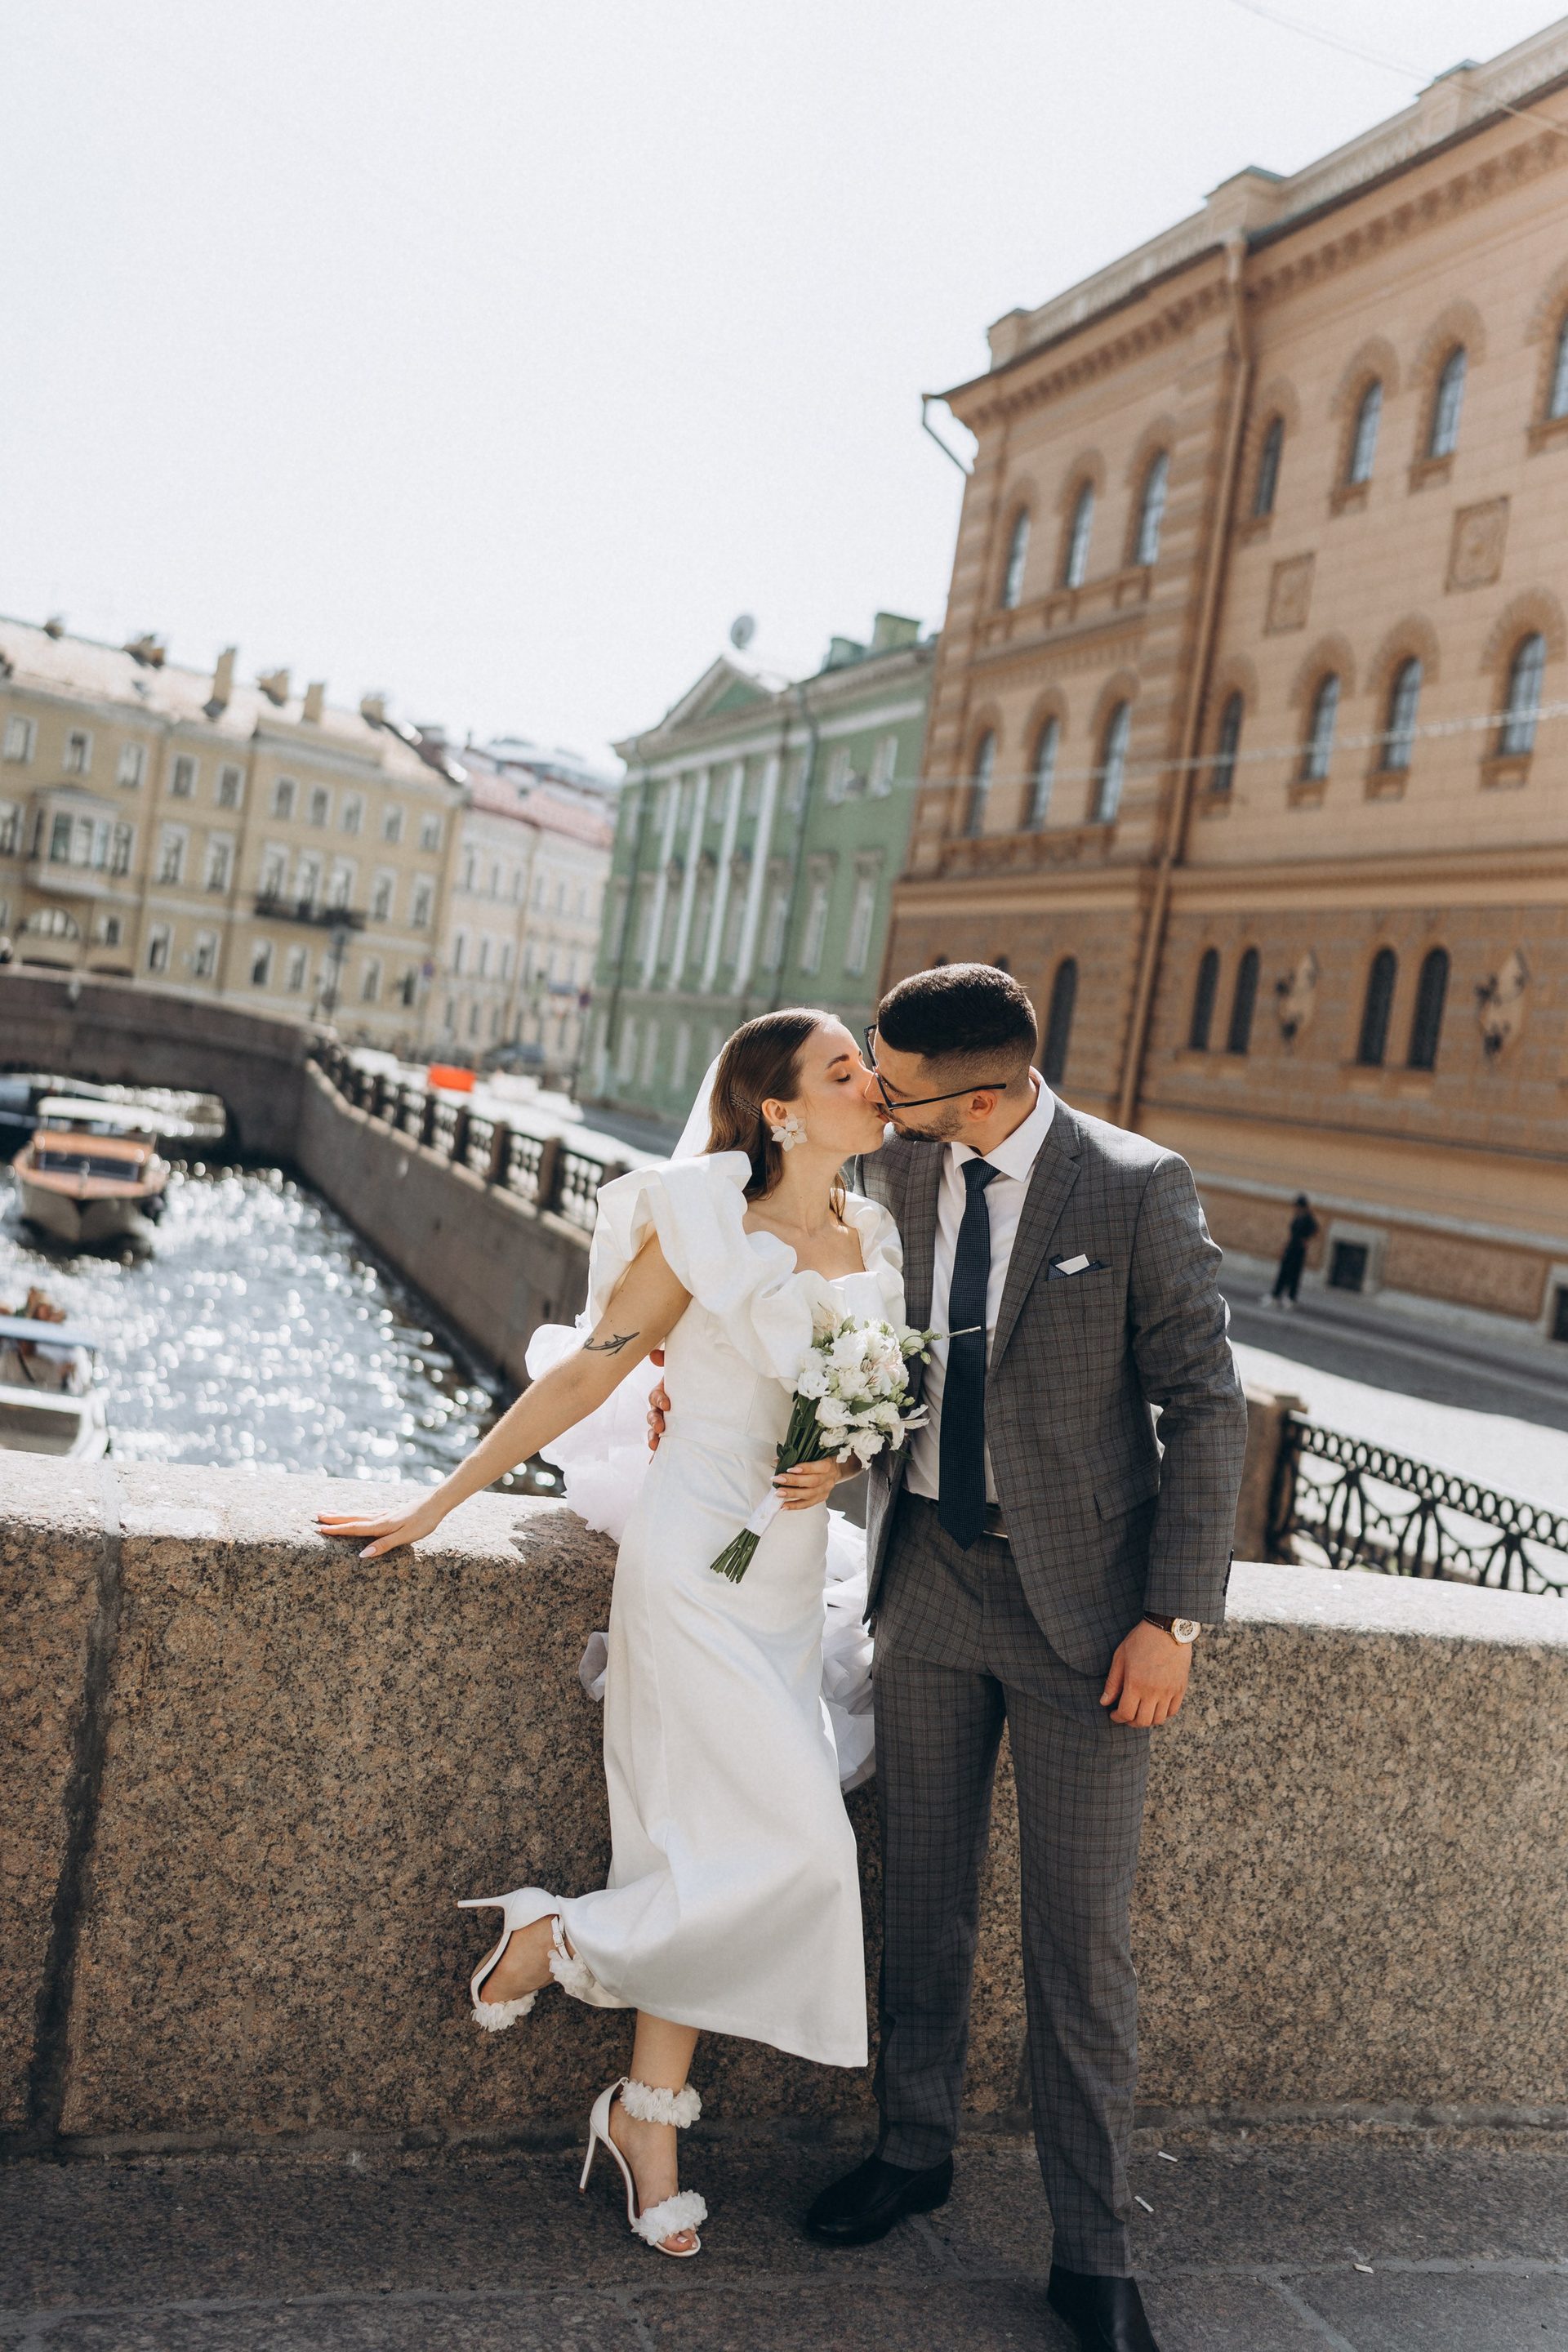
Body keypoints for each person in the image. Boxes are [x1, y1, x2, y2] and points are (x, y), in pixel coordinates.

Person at [656, 966, 1245, 2352]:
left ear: (979, 1096)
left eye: (894, 1081)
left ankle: (1093, 2253)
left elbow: (1207, 1406)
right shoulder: (900, 1169)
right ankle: (912, 2150)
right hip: (923, 1584)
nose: (874, 1092)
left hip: (1091, 1625)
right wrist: (705, 1380)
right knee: (920, 1901)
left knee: (1079, 1948)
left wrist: (1175, 1618)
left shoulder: (1135, 1188)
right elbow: (798, 1272)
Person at [317, 1009, 900, 2261]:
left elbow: (864, 1403)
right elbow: (590, 1373)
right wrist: (437, 1503)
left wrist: (844, 1456)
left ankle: (645, 2115)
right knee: (809, 1852)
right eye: (845, 1069)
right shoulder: (701, 1220)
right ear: (781, 1110)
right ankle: (559, 1940)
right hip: (693, 1564)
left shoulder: (873, 1233)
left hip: (789, 1571)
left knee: (701, 1848)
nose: (874, 1083)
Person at [1263, 1196, 1318, 1311]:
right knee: (1283, 1272)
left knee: (1295, 1275)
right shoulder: (1297, 1216)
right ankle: (1276, 1295)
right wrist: (1284, 1248)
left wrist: (1306, 1241)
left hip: (1299, 1250)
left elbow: (1315, 1231)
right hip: (1291, 1247)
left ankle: (1291, 1299)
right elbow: (1291, 1234)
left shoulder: (1309, 1218)